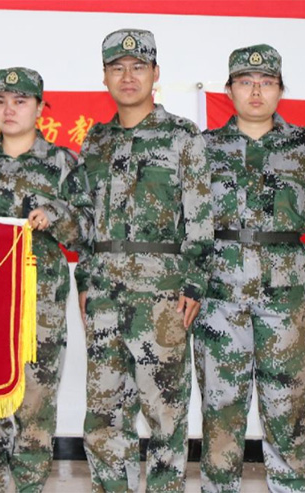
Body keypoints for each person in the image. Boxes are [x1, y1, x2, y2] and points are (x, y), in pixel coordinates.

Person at [68, 29, 213, 492]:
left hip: (162, 298)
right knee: (104, 415)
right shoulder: (96, 141)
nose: (127, 76)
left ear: (155, 73)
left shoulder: (182, 136)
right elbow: (85, 221)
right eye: (117, 68)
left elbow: (200, 216)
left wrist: (194, 284)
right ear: (104, 76)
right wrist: (84, 282)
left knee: (165, 414)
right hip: (104, 297)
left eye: (138, 67)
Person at [193, 44, 305, 492]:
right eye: (245, 82)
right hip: (218, 293)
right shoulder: (203, 148)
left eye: (267, 82)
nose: (256, 91)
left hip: (287, 294)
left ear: (280, 89)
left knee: (288, 403)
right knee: (221, 404)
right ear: (229, 90)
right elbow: (185, 225)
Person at [0, 67, 81, 492]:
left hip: (39, 306)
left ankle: (28, 485)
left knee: (36, 407)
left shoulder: (63, 164)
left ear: (40, 108)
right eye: (0, 101)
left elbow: (84, 231)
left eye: (20, 101)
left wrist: (55, 216)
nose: (9, 109)